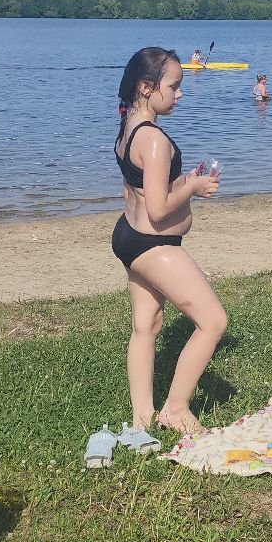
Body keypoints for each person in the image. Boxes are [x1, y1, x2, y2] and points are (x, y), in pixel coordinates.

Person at [113, 47, 226, 437]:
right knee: (213, 321)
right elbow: (160, 211)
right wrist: (193, 186)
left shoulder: (128, 126)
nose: (180, 94)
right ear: (147, 87)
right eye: (174, 87)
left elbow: (146, 191)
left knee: (147, 325)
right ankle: (175, 409)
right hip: (152, 244)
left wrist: (181, 182)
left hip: (128, 235)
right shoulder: (155, 139)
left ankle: (142, 419)